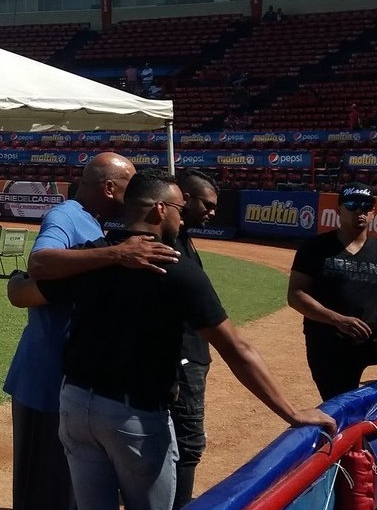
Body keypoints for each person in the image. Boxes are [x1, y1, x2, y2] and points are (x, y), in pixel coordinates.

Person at [10, 170, 335, 510]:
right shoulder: (174, 268)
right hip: (133, 415)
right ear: (160, 210)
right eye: (180, 208)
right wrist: (292, 412)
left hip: (75, 406)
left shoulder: (93, 254)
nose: (183, 219)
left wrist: (14, 284)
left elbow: (28, 291)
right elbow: (235, 348)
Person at [5, 153, 178, 510]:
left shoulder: (96, 223)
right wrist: (116, 254)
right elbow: (40, 262)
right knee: (44, 490)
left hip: (75, 381)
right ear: (109, 187)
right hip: (45, 380)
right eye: (131, 185)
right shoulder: (66, 215)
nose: (137, 193)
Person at [288, 183, 377, 401]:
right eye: (352, 205)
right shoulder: (315, 247)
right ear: (339, 210)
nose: (359, 211)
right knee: (340, 405)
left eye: (366, 206)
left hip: (372, 339)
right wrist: (338, 320)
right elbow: (296, 294)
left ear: (373, 213)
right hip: (329, 343)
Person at [170, 170, 221, 510]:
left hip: (190, 357)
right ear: (184, 199)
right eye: (207, 204)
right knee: (188, 443)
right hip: (181, 360)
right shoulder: (171, 244)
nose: (212, 212)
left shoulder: (183, 238)